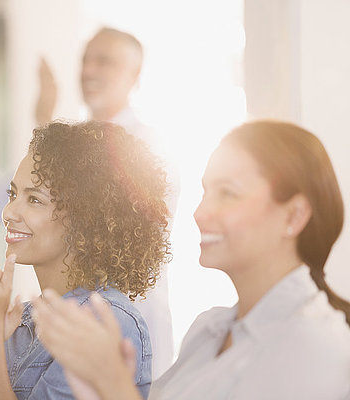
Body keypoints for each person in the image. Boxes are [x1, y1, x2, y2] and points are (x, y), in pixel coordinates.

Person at [31, 120, 350, 400]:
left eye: (228, 193)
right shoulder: (208, 330)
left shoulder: (316, 346)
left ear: (293, 215)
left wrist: (114, 383)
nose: (200, 213)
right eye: (205, 191)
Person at [0, 26, 178, 378]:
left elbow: (111, 226)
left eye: (105, 61)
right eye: (85, 59)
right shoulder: (68, 143)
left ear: (135, 76)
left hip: (127, 320)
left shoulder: (147, 152)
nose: (89, 70)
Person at [0, 120, 171, 400]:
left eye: (34, 200)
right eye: (13, 194)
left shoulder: (107, 321)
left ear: (85, 220)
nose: (8, 213)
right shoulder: (18, 321)